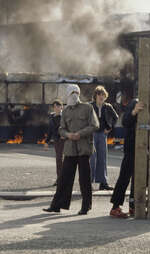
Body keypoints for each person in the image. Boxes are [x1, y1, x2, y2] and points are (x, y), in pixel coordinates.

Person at [43, 84, 99, 215]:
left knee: (84, 179)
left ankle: (86, 206)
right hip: (70, 149)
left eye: (76, 92)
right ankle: (56, 205)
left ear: (79, 93)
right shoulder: (66, 111)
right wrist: (68, 135)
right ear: (67, 95)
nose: (74, 94)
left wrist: (80, 133)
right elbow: (61, 129)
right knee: (64, 178)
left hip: (84, 148)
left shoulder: (88, 108)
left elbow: (95, 125)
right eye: (71, 92)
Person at [110, 97, 144, 218]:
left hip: (145, 148)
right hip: (131, 147)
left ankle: (133, 206)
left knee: (139, 178)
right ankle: (115, 207)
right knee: (125, 176)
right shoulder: (134, 102)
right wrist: (134, 111)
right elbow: (125, 121)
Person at [90, 86, 118, 190]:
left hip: (102, 134)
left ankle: (103, 183)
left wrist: (109, 128)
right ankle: (89, 182)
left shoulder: (108, 106)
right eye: (99, 94)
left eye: (103, 95)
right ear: (95, 96)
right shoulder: (90, 106)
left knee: (102, 158)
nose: (101, 96)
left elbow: (116, 117)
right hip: (92, 135)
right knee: (92, 159)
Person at [44, 99, 64, 186]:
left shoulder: (64, 116)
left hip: (65, 140)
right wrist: (47, 142)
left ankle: (64, 179)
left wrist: (66, 135)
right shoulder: (52, 117)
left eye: (58, 106)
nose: (56, 108)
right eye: (55, 107)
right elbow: (50, 130)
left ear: (61, 107)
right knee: (59, 159)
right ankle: (59, 179)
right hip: (57, 140)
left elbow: (69, 126)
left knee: (65, 160)